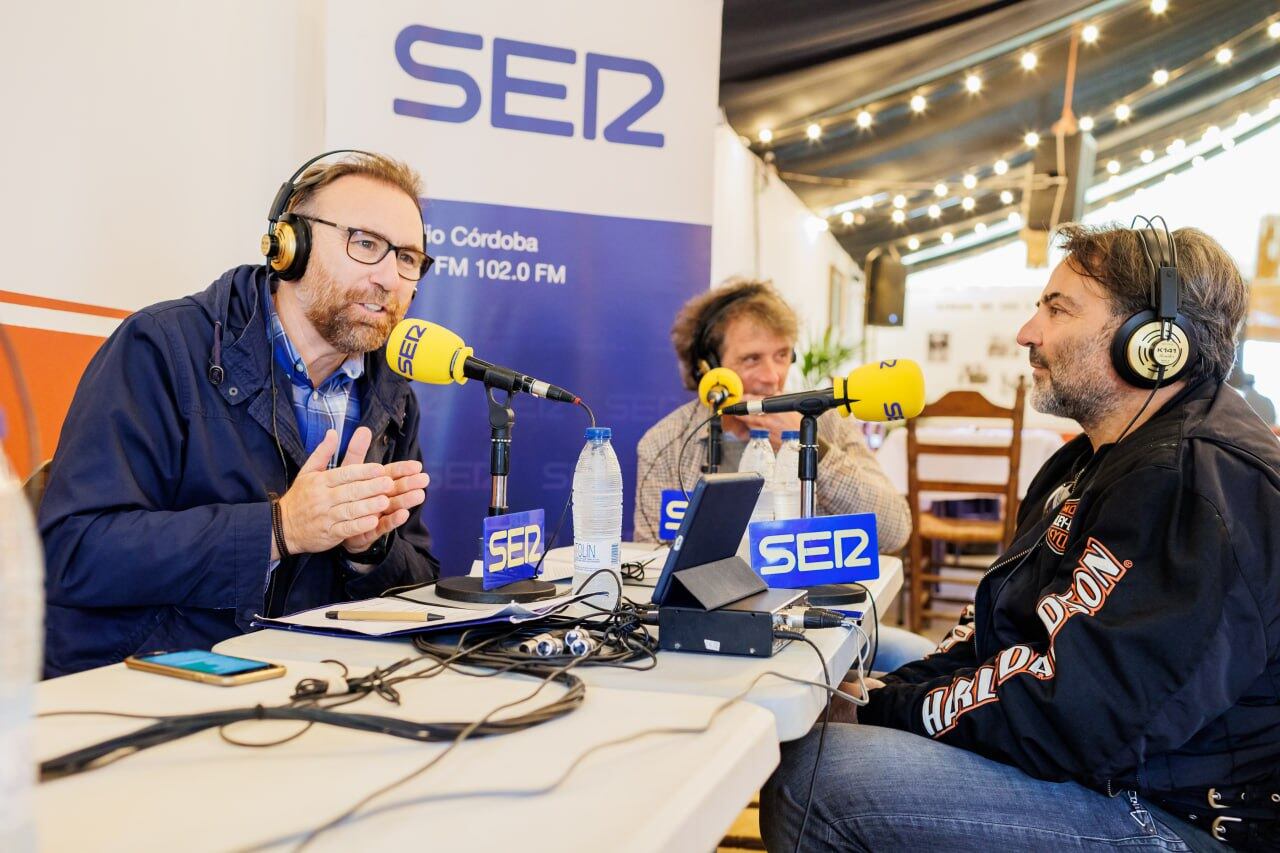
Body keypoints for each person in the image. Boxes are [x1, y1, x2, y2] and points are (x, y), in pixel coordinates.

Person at [761, 222, 1280, 852]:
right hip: (1108, 764)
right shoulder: (1087, 460)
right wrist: (886, 693)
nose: (1027, 332)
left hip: (1173, 818)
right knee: (879, 655)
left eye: (1058, 309)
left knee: (815, 777)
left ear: (1154, 343)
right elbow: (1002, 634)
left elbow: (1077, 714)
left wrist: (877, 711)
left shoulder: (1189, 483)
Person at [40, 151, 440, 677]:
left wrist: (369, 550)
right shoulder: (161, 348)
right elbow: (73, 552)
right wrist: (279, 528)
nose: (389, 277)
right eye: (366, 244)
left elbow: (418, 586)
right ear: (289, 245)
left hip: (312, 690)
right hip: (147, 687)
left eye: (408, 258)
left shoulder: (391, 397)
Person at [634, 278, 931, 671]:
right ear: (709, 368)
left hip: (817, 628)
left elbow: (895, 529)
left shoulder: (825, 426)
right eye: (752, 359)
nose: (772, 377)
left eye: (782, 355)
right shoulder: (666, 445)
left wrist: (816, 454)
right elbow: (648, 571)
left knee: (923, 659)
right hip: (709, 633)